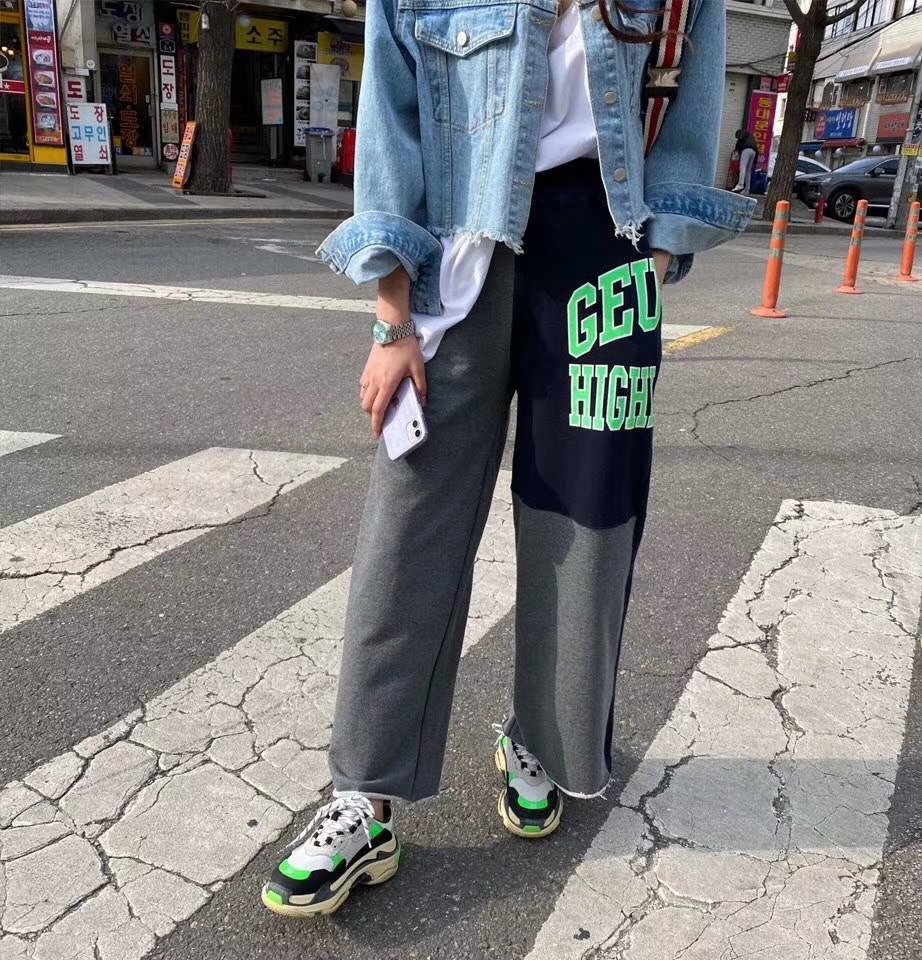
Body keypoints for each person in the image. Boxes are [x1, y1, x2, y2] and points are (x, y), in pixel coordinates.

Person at [261, 0, 754, 917]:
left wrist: (653, 261)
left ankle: (541, 738)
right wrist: (392, 315)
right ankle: (365, 794)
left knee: (585, 518)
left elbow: (690, 112)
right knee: (410, 521)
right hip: (457, 250)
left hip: (606, 245)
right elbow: (393, 116)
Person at [733, 128, 760, 194]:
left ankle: (740, 185)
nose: (737, 138)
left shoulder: (742, 134)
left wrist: (736, 150)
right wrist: (755, 162)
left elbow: (739, 142)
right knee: (748, 171)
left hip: (746, 150)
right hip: (754, 152)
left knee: (742, 167)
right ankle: (747, 189)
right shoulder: (750, 136)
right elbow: (756, 148)